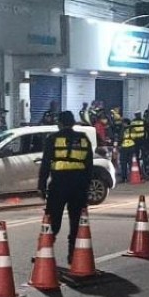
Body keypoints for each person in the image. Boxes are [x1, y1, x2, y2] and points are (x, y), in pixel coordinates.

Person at [38, 111, 93, 264]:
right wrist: (86, 186)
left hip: (59, 185)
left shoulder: (53, 139)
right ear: (73, 122)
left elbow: (45, 164)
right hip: (79, 186)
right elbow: (89, 165)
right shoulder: (83, 139)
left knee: (52, 220)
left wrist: (41, 185)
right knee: (76, 222)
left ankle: (44, 253)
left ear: (60, 123)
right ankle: (73, 256)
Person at [120, 111, 146, 183]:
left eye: (123, 123)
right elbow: (134, 137)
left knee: (124, 163)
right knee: (131, 163)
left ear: (125, 123)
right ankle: (130, 177)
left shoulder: (124, 129)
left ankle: (124, 178)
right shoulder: (132, 129)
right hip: (132, 147)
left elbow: (121, 138)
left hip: (125, 147)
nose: (122, 124)